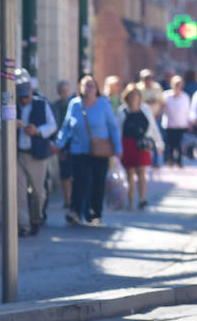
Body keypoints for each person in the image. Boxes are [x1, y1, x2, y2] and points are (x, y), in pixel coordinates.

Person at [56, 75, 122, 226]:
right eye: (86, 85)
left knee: (97, 183)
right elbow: (66, 126)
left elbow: (113, 127)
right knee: (79, 181)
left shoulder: (103, 104)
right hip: (78, 149)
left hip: (100, 150)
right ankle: (75, 211)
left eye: (92, 85)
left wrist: (118, 148)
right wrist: (59, 144)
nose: (89, 89)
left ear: (97, 89)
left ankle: (94, 213)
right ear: (80, 88)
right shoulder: (74, 104)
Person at [14, 74, 57, 237]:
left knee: (38, 192)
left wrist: (37, 131)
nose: (23, 100)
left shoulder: (41, 104)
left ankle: (35, 219)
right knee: (19, 191)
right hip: (18, 153)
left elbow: (52, 126)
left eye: (26, 97)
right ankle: (23, 225)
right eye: (20, 97)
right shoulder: (12, 105)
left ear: (31, 92)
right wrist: (11, 125)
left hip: (37, 154)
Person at [118, 83, 162, 209]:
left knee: (141, 172)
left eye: (135, 94)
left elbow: (153, 127)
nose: (133, 97)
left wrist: (159, 143)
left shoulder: (145, 109)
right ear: (127, 96)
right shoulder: (123, 111)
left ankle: (142, 198)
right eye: (131, 95)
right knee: (129, 173)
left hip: (142, 144)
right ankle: (130, 199)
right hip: (127, 144)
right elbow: (117, 129)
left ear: (139, 96)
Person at [54, 79, 77, 209]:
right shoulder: (56, 107)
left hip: (75, 143)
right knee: (65, 174)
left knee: (75, 174)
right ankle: (67, 199)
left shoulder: (76, 104)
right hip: (62, 144)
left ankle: (74, 198)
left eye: (67, 91)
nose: (65, 94)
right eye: (62, 92)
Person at [162, 74, 193, 167]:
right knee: (170, 144)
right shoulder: (166, 95)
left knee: (179, 144)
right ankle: (170, 158)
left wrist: (189, 122)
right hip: (170, 124)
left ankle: (179, 161)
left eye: (179, 85)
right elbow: (162, 108)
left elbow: (188, 110)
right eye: (176, 85)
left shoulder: (185, 97)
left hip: (181, 124)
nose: (177, 87)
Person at [137, 69, 165, 165]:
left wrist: (160, 112)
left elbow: (162, 102)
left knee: (157, 137)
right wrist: (149, 102)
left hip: (156, 116)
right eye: (146, 78)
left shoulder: (157, 88)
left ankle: (156, 161)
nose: (148, 80)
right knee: (146, 138)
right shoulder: (138, 89)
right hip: (143, 118)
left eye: (150, 78)